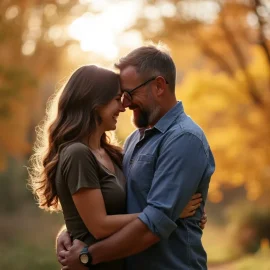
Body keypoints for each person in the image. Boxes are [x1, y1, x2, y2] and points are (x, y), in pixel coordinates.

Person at [28, 64, 205, 270]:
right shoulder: (77, 154)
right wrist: (169, 213)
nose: (123, 107)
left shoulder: (113, 153)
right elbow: (100, 226)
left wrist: (177, 205)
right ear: (95, 103)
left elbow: (130, 200)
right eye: (116, 100)